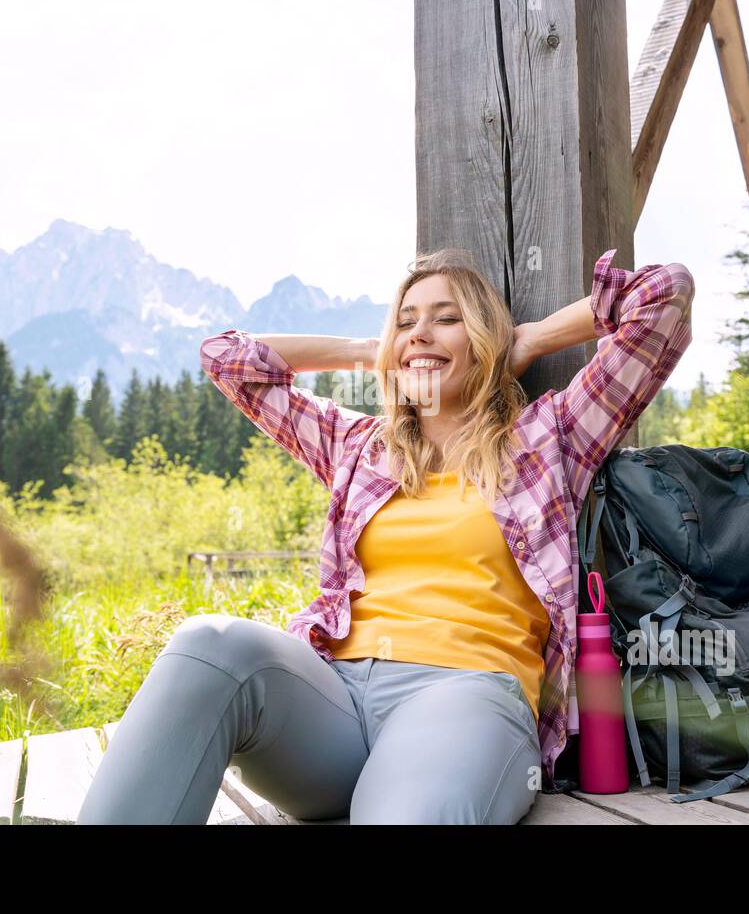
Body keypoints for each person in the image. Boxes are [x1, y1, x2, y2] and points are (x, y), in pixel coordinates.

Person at [77, 247, 694, 824]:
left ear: (484, 338)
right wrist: (372, 350)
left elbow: (664, 296)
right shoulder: (359, 448)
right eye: (407, 321)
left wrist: (525, 339)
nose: (421, 332)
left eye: (447, 319)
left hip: (465, 694)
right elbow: (228, 358)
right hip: (333, 702)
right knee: (209, 646)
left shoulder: (549, 437)